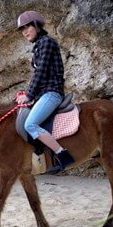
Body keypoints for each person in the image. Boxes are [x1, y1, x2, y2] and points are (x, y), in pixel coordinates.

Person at [15, 10, 75, 174]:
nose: (25, 32)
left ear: (36, 26)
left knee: (30, 124)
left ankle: (63, 155)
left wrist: (28, 94)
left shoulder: (46, 43)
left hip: (51, 93)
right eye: (22, 29)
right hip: (43, 93)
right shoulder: (38, 46)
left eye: (28, 27)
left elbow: (40, 72)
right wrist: (26, 96)